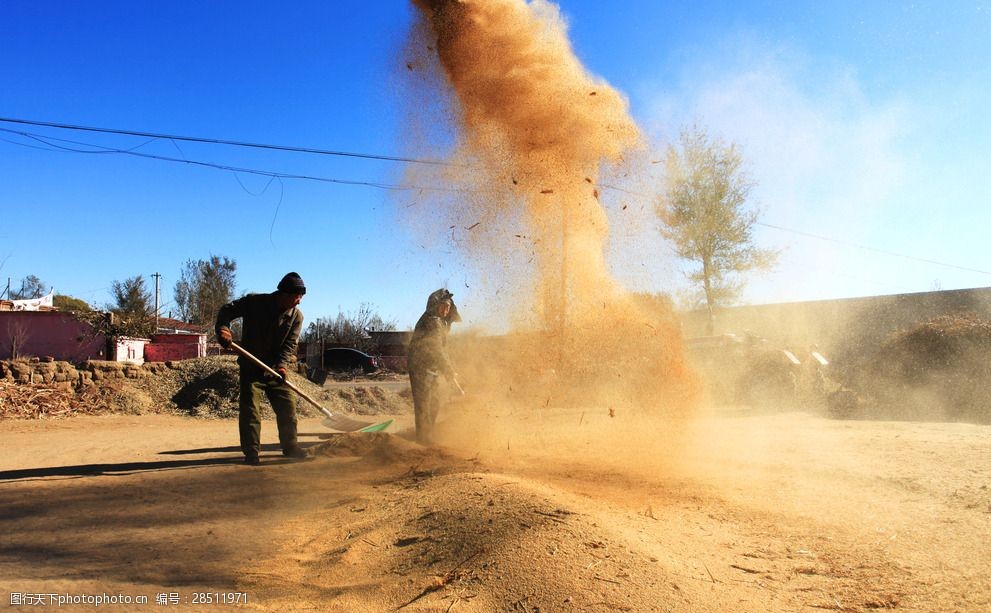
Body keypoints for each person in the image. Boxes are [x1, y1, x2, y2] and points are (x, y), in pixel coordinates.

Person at [215, 272, 307, 465]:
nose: (298, 302)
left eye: (301, 297)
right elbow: (226, 310)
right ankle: (251, 452)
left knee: (288, 407)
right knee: (250, 410)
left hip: (274, 369)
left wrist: (281, 365)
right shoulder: (255, 302)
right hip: (251, 367)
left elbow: (290, 345)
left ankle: (290, 448)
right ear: (283, 293)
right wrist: (223, 328)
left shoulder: (296, 317)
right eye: (295, 297)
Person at [406, 288, 461, 444]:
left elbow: (442, 350)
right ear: (434, 306)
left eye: (448, 307)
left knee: (434, 402)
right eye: (443, 306)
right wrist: (448, 369)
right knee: (424, 404)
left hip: (431, 368)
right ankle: (423, 440)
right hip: (421, 368)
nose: (445, 310)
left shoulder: (438, 322)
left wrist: (448, 368)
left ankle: (426, 436)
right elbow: (436, 348)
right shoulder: (432, 321)